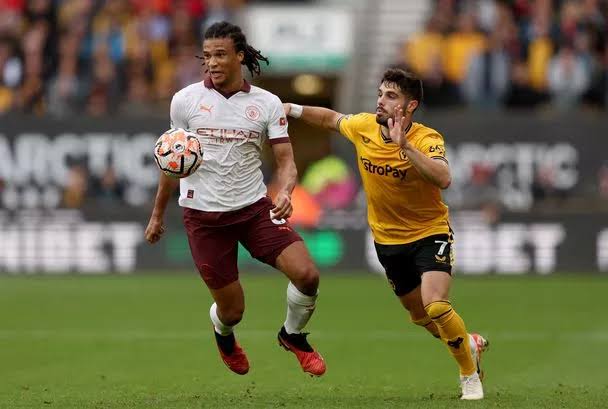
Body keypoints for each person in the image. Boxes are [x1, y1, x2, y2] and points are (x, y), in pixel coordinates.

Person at [284, 68, 488, 399]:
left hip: (429, 232)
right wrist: (290, 109)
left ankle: (469, 374)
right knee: (420, 317)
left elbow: (444, 178)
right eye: (380, 93)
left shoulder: (427, 139)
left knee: (435, 305)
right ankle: (468, 344)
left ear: (410, 106)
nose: (381, 101)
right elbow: (330, 119)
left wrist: (405, 147)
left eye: (391, 96)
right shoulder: (364, 126)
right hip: (388, 242)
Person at [144, 21, 326, 377]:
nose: (211, 62)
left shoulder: (266, 103)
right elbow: (172, 161)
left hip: (253, 210)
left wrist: (286, 190)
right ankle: (224, 335)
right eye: (207, 55)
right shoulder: (185, 101)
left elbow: (286, 161)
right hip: (204, 218)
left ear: (239, 56)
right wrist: (157, 215)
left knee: (307, 275)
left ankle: (293, 335)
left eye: (220, 55)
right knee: (232, 311)